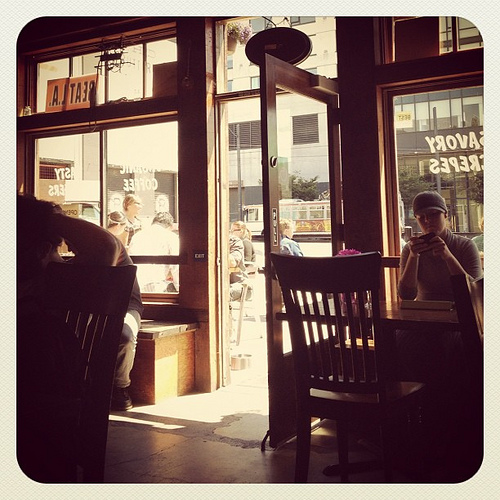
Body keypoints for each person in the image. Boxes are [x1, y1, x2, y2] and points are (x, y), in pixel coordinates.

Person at [17, 193, 122, 482]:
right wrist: (44, 217)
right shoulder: (42, 315)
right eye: (58, 250)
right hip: (40, 455)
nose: (62, 260)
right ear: (42, 251)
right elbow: (106, 247)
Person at [395, 191, 483, 480]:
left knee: (448, 351)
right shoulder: (410, 249)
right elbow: (406, 294)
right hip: (423, 319)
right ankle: (419, 426)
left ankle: (441, 432)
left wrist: (446, 254)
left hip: (459, 320)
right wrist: (413, 257)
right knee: (398, 344)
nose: (427, 221)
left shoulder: (464, 245)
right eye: (421, 217)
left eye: (433, 215)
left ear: (446, 215)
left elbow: (473, 290)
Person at [106, 212, 144, 411]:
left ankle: (120, 387)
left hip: (128, 305)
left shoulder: (111, 247)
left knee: (125, 336)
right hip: (101, 305)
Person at [128, 212, 180, 293]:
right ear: (170, 226)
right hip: (156, 283)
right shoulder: (171, 236)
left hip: (135, 283)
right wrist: (179, 288)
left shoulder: (137, 236)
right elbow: (176, 266)